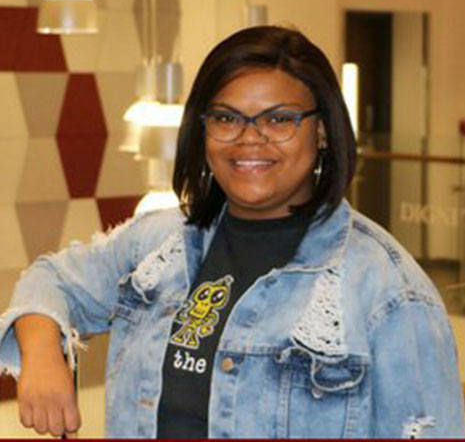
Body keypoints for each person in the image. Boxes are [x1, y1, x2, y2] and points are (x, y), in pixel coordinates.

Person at [0, 26, 464, 438]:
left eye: (279, 119)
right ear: (202, 130)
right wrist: (42, 353)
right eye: (226, 118)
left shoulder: (388, 292)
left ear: (321, 131)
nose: (248, 138)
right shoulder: (159, 243)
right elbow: (52, 279)